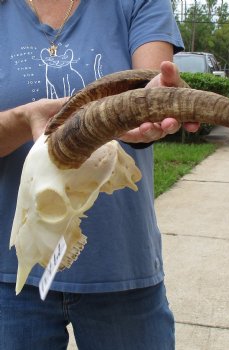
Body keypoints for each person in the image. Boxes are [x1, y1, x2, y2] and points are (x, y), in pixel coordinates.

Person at [0, 1, 199, 349]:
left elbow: (149, 84)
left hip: (122, 270)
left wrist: (154, 104)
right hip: (10, 278)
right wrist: (20, 120)